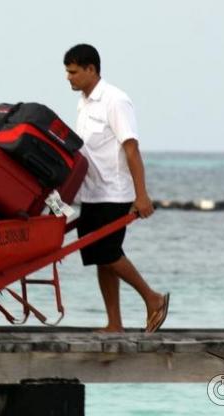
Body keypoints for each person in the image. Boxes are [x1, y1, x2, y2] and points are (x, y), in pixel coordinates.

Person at [63, 44, 169, 333]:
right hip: (92, 192)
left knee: (108, 251)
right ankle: (114, 322)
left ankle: (153, 298)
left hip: (115, 192)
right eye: (66, 72)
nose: (68, 78)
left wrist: (141, 195)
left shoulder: (115, 100)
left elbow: (131, 149)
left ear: (91, 69)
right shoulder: (83, 102)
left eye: (73, 72)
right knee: (99, 256)